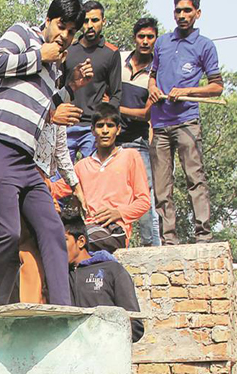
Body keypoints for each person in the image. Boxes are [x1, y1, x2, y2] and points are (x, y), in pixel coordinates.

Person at [0, 0, 92, 307]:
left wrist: (71, 86)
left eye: (70, 31)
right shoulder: (23, 34)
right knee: (9, 233)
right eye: (60, 27)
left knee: (53, 228)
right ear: (48, 20)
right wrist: (40, 54)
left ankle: (63, 310)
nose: (64, 35)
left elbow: (45, 107)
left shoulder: (57, 65)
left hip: (28, 160)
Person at [148, 0, 223, 245]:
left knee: (195, 178)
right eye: (178, 11)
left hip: (187, 121)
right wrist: (153, 90)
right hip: (160, 123)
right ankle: (168, 239)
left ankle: (203, 235)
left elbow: (217, 87)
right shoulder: (162, 42)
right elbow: (152, 75)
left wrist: (187, 91)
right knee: (161, 185)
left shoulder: (205, 45)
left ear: (197, 13)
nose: (182, 15)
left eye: (187, 11)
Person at [54, 103, 151, 252]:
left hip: (115, 229)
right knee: (53, 242)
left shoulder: (130, 156)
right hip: (88, 228)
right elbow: (54, 189)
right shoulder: (82, 166)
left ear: (118, 130)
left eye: (110, 126)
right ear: (92, 130)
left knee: (73, 245)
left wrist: (119, 212)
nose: (105, 131)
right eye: (100, 126)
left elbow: (144, 201)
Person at [63, 212, 145, 342]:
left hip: (106, 356)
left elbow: (134, 326)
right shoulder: (60, 277)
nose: (57, 246)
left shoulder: (112, 271)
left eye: (64, 240)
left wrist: (100, 338)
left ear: (81, 241)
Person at [117, 18, 160, 247]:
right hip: (111, 142)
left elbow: (145, 115)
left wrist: (116, 108)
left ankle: (151, 248)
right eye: (141, 36)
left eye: (150, 37)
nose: (145, 41)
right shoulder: (120, 60)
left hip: (137, 140)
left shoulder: (156, 72)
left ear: (155, 40)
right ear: (134, 38)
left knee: (145, 197)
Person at [64, 1, 122, 162]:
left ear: (103, 21)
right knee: (58, 181)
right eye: (85, 20)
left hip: (92, 129)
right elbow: (58, 87)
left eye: (95, 20)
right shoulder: (68, 49)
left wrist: (103, 122)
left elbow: (116, 94)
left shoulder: (111, 53)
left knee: (93, 176)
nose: (89, 25)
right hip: (65, 125)